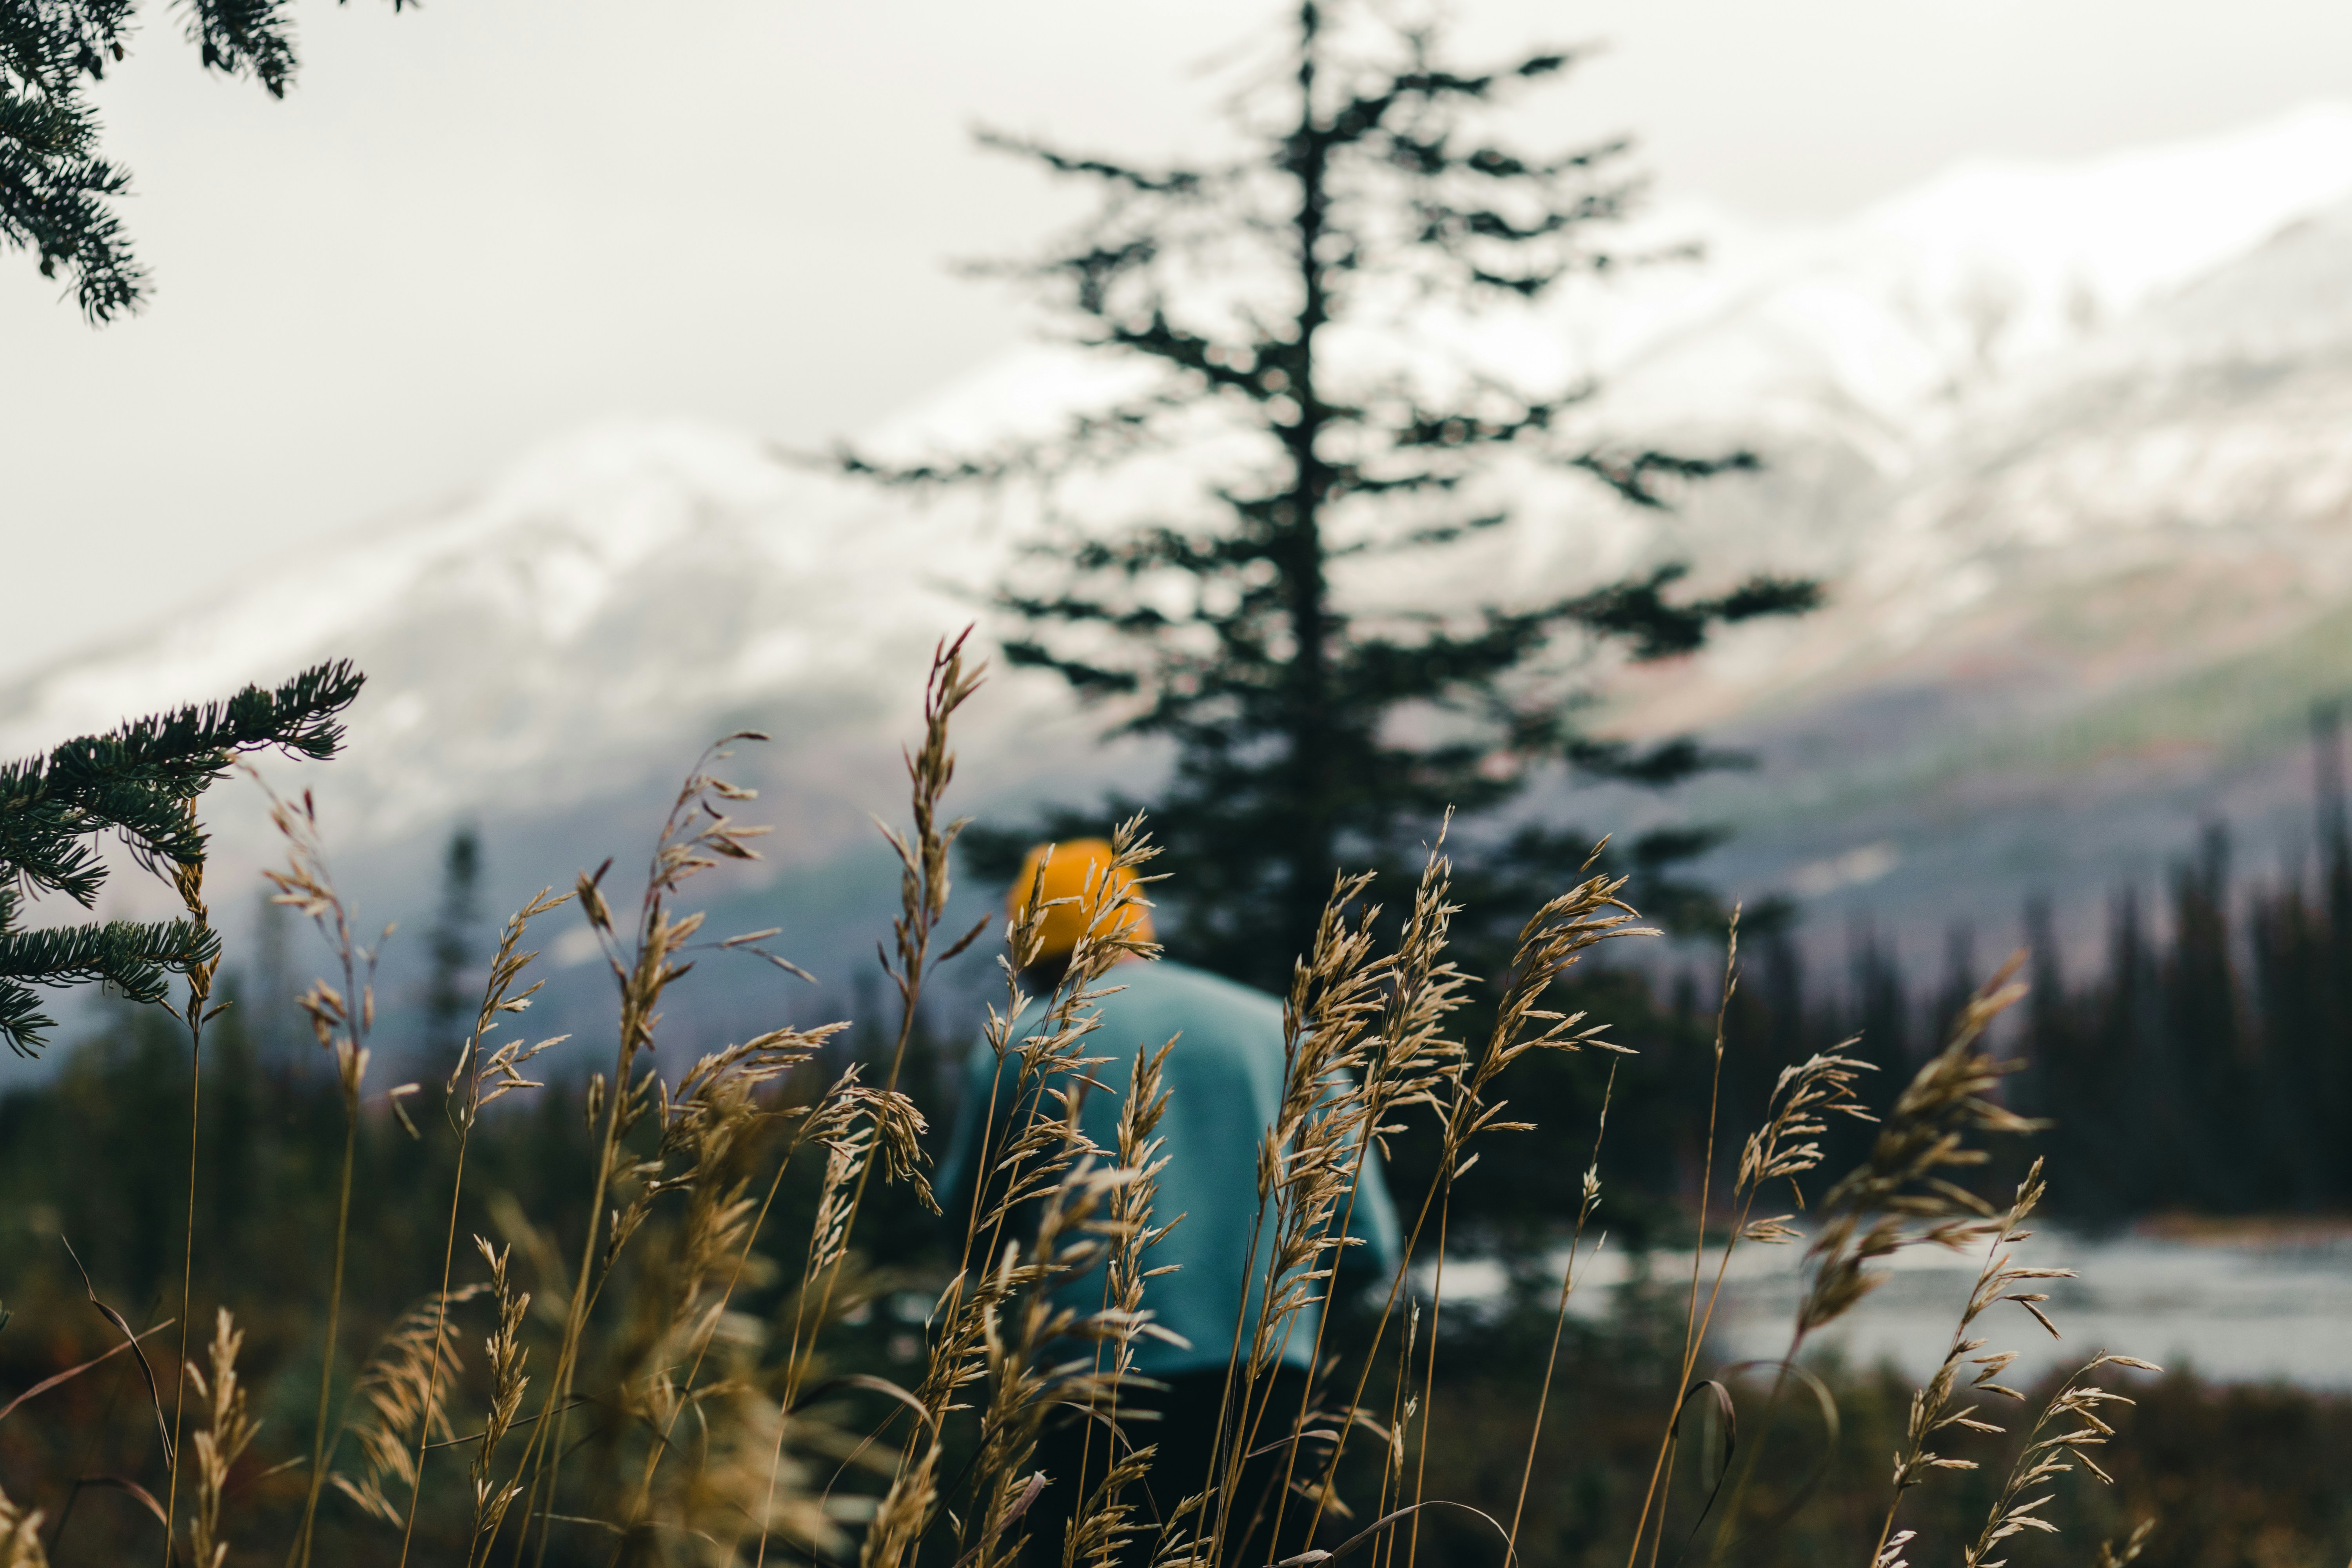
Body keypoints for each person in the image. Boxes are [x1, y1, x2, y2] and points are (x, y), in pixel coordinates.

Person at [937, 839, 1402, 1567]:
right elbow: (1370, 1246)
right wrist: (1277, 1320)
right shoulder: (1279, 1033)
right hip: (1270, 1395)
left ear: (1027, 944)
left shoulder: (1024, 1047)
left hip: (1090, 1404)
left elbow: (973, 1236)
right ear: (1138, 929)